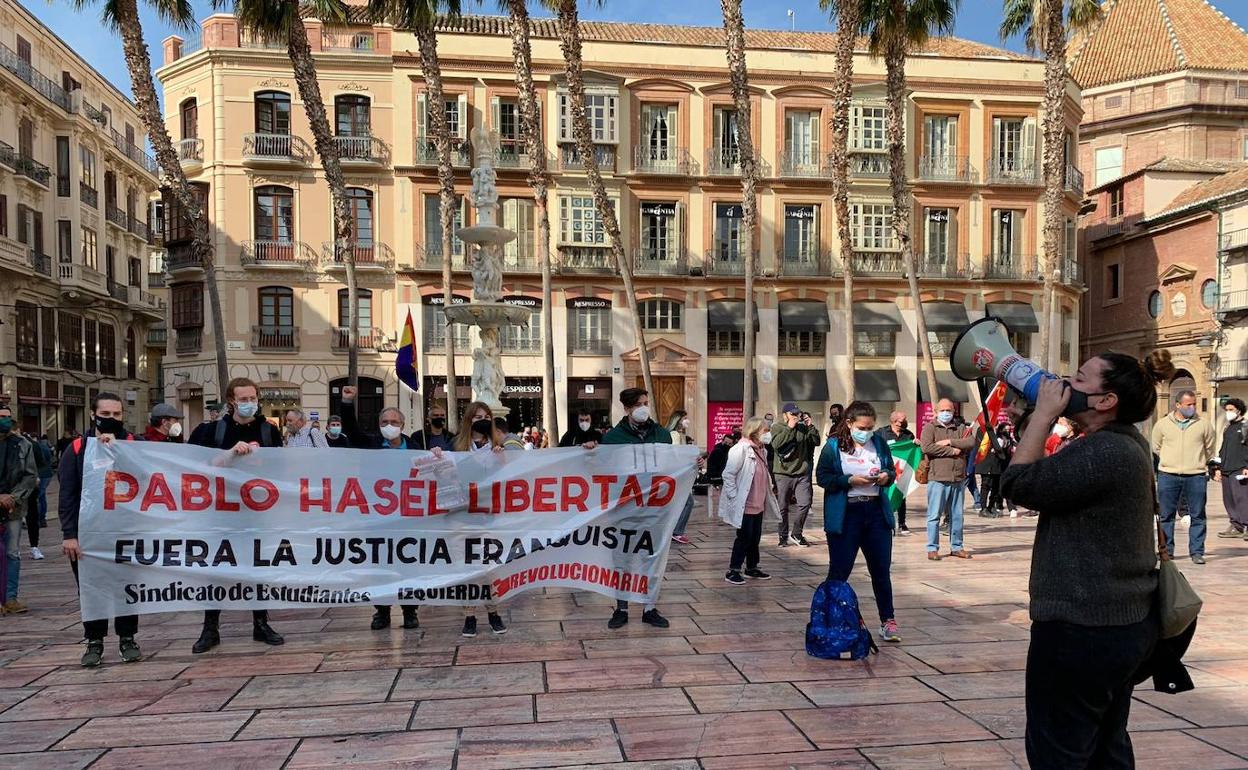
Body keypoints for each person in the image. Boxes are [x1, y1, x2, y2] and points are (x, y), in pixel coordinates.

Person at [1001, 351, 1169, 770]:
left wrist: (1042, 416)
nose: (1063, 384)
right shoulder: (1121, 444)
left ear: (1105, 401)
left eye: (1078, 380)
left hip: (1082, 628)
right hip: (1116, 622)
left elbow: (1019, 484)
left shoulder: (1105, 451)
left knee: (1059, 751)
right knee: (1105, 747)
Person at [187, 377, 285, 652]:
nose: (249, 403)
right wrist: (229, 455)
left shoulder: (268, 431)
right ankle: (210, 628)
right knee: (216, 569)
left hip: (256, 514)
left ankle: (261, 623)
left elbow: (281, 470)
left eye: (253, 398)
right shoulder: (211, 432)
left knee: (258, 567)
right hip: (219, 514)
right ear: (231, 401)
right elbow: (191, 465)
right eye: (243, 399)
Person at [57, 393, 141, 664]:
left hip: (126, 531)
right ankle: (94, 642)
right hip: (88, 534)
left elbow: (150, 478)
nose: (111, 419)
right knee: (91, 588)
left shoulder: (133, 444)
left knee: (126, 586)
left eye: (117, 415)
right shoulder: (78, 449)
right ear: (94, 415)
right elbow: (67, 494)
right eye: (106, 415)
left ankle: (128, 639)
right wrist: (69, 535)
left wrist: (119, 452)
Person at [815, 401, 901, 643]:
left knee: (881, 570)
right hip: (847, 514)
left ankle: (888, 620)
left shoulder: (879, 443)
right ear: (850, 423)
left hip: (875, 513)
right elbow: (823, 477)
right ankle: (831, 619)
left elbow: (891, 472)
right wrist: (849, 480)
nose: (867, 431)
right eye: (863, 427)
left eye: (871, 427)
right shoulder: (833, 446)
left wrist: (885, 477)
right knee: (840, 570)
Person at [587, 387, 672, 629]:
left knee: (651, 560)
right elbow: (601, 472)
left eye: (646, 402)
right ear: (626, 409)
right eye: (638, 405)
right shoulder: (613, 439)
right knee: (622, 561)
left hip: (655, 512)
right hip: (624, 512)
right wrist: (590, 455)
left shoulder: (662, 435)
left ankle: (649, 607)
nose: (644, 408)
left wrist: (691, 462)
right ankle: (621, 608)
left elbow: (672, 466)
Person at [339, 386, 422, 630]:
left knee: (409, 567)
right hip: (377, 519)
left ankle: (409, 611)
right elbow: (351, 431)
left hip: (408, 518)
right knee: (379, 567)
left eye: (394, 421)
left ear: (403, 425)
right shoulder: (371, 445)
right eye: (385, 421)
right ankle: (382, 612)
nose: (389, 425)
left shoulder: (417, 447)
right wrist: (346, 402)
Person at [433, 417, 509, 637]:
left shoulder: (500, 447)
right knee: (465, 570)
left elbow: (512, 477)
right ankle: (469, 616)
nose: (482, 421)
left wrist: (502, 459)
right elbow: (438, 472)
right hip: (460, 517)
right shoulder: (455, 446)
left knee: (489, 569)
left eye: (486, 417)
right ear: (469, 420)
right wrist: (437, 454)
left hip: (487, 518)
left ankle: (493, 612)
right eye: (477, 417)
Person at [1152, 390, 1216, 564]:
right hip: (1168, 475)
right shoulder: (1162, 424)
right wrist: (1169, 461)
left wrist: (1197, 461)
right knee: (1166, 515)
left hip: (1195, 475)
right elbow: (1156, 447)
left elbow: (1209, 448)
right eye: (1189, 404)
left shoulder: (1204, 424)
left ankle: (1196, 552)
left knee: (1198, 515)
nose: (1193, 407)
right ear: (1178, 405)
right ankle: (1167, 551)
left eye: (1194, 404)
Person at [719, 417, 778, 584]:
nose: (768, 434)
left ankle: (752, 567)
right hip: (745, 503)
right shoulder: (740, 449)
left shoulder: (762, 450)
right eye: (765, 431)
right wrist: (734, 496)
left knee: (755, 537)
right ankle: (733, 570)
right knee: (744, 536)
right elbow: (728, 474)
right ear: (754, 431)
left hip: (758, 502)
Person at [921, 399, 977, 560]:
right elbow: (927, 447)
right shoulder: (930, 427)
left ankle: (957, 546)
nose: (946, 413)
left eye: (949, 410)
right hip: (938, 478)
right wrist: (952, 451)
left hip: (958, 478)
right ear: (936, 411)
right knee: (934, 516)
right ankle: (932, 548)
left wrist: (949, 441)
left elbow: (970, 442)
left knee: (957, 515)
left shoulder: (960, 428)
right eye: (943, 410)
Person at [0, 406, 37, 616]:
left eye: (7, 417)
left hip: (14, 506)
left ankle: (10, 597)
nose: (5, 421)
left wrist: (12, 496)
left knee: (12, 553)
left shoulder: (23, 444)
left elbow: (30, 475)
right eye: (1, 417)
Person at [770, 403, 820, 547]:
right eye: (792, 414)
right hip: (783, 473)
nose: (795, 416)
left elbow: (816, 442)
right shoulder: (777, 427)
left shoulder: (804, 428)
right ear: (785, 415)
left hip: (802, 473)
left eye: (797, 414)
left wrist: (811, 426)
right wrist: (790, 427)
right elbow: (776, 444)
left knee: (805, 503)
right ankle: (782, 535)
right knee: (783, 506)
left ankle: (797, 532)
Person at [875, 411, 915, 534]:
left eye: (905, 421)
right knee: (883, 495)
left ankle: (902, 523)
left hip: (902, 471)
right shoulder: (881, 433)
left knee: (901, 496)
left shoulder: (908, 435)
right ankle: (883, 521)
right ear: (894, 421)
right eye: (901, 421)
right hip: (885, 469)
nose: (904, 423)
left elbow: (912, 450)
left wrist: (915, 444)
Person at [1215, 398, 1248, 540]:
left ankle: (1246, 525)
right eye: (1227, 410)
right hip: (1226, 469)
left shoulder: (1246, 426)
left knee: (1242, 499)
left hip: (1240, 469)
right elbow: (1223, 449)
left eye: (1231, 410)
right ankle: (1236, 526)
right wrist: (1217, 468)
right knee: (1228, 500)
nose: (1228, 413)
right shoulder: (1228, 428)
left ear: (1239, 410)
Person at [705, 432, 736, 519]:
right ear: (722, 441)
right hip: (719, 477)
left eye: (729, 443)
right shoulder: (718, 451)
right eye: (726, 442)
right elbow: (713, 467)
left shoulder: (731, 452)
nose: (727, 445)